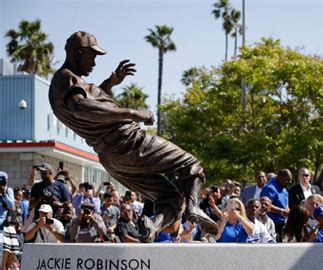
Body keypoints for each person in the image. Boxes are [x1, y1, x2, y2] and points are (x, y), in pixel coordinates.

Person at [48, 31, 216, 234]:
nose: (94, 62)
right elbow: (81, 107)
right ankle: (194, 207)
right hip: (128, 141)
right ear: (77, 54)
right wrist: (134, 113)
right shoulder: (66, 77)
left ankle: (153, 228)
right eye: (91, 56)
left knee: (170, 198)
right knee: (190, 164)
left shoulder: (65, 84)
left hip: (111, 157)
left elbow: (87, 104)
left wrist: (109, 85)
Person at [260, 169, 292, 242]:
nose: (289, 182)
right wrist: (282, 211)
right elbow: (265, 206)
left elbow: (284, 204)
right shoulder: (270, 188)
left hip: (282, 223)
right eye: (287, 180)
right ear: (280, 177)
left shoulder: (283, 186)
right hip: (272, 223)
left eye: (290, 181)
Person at [0, 172, 18, 270]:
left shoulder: (9, 191)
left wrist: (4, 194)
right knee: (3, 249)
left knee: (13, 249)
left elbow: (12, 206)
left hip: (6, 225)